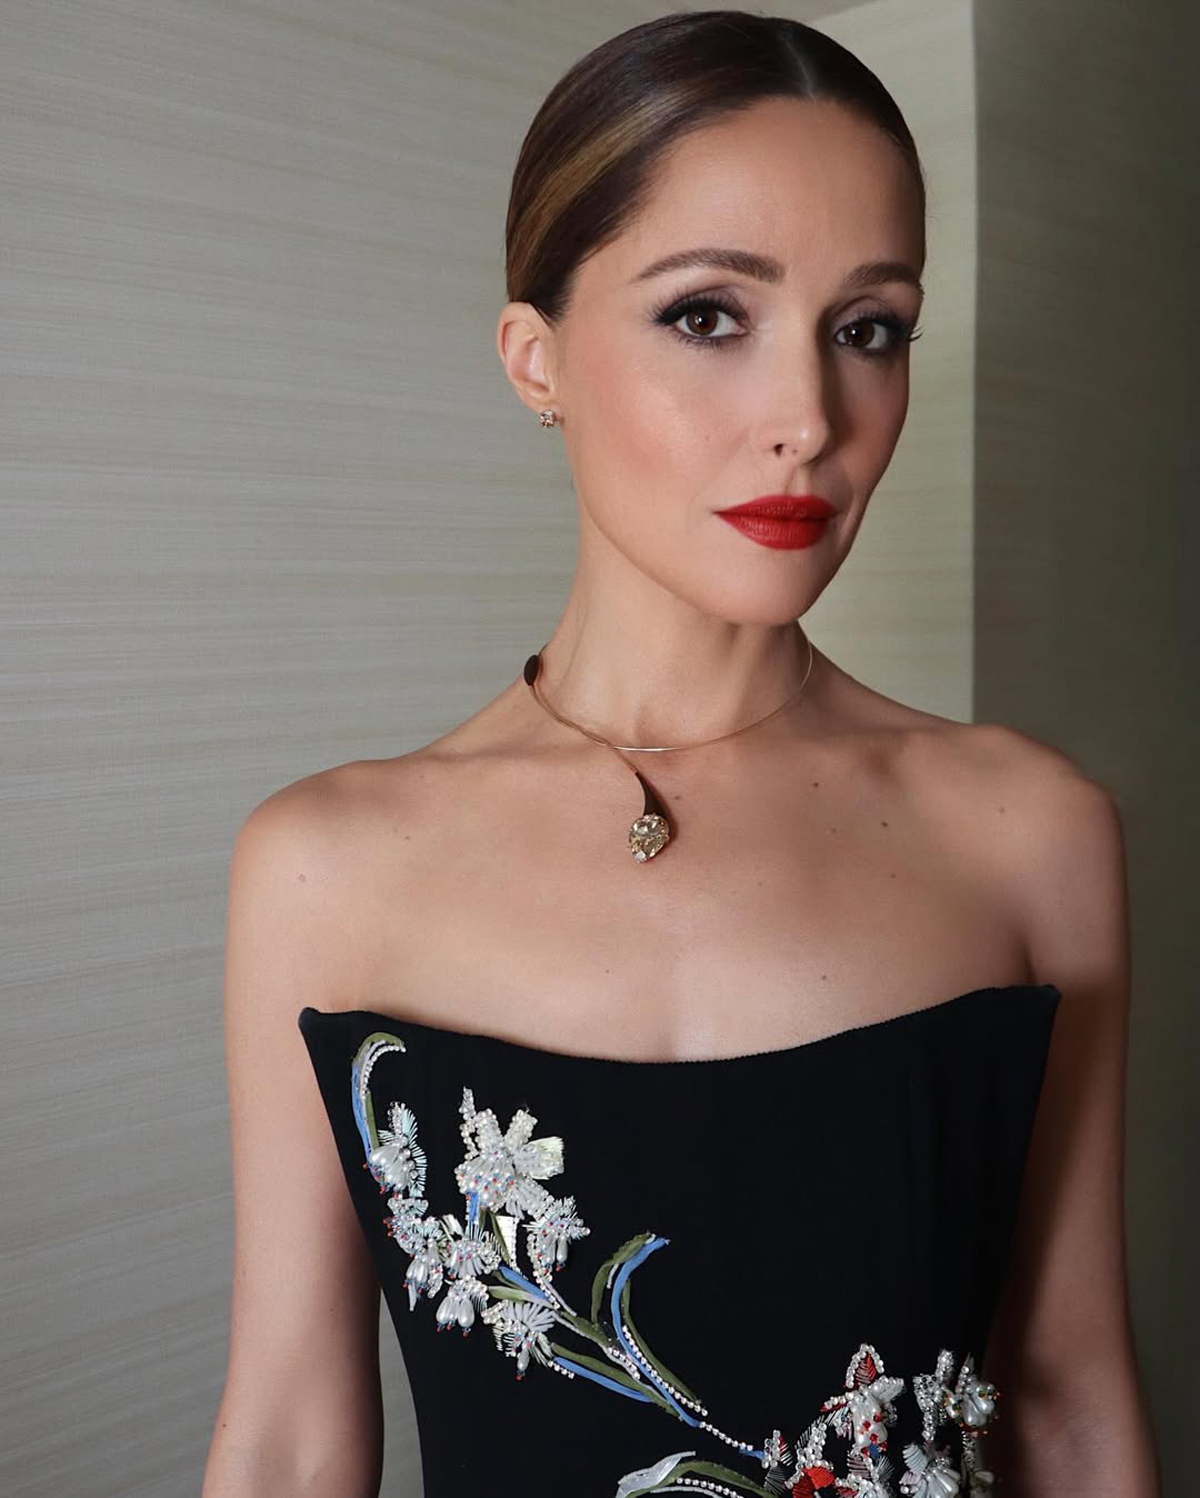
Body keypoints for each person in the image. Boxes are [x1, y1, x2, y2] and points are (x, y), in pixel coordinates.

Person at [202, 11, 1159, 1497]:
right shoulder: (324, 870)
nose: (808, 419)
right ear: (537, 360)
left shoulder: (1030, 832)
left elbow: (1073, 1402)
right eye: (710, 314)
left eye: (869, 327)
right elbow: (287, 1439)